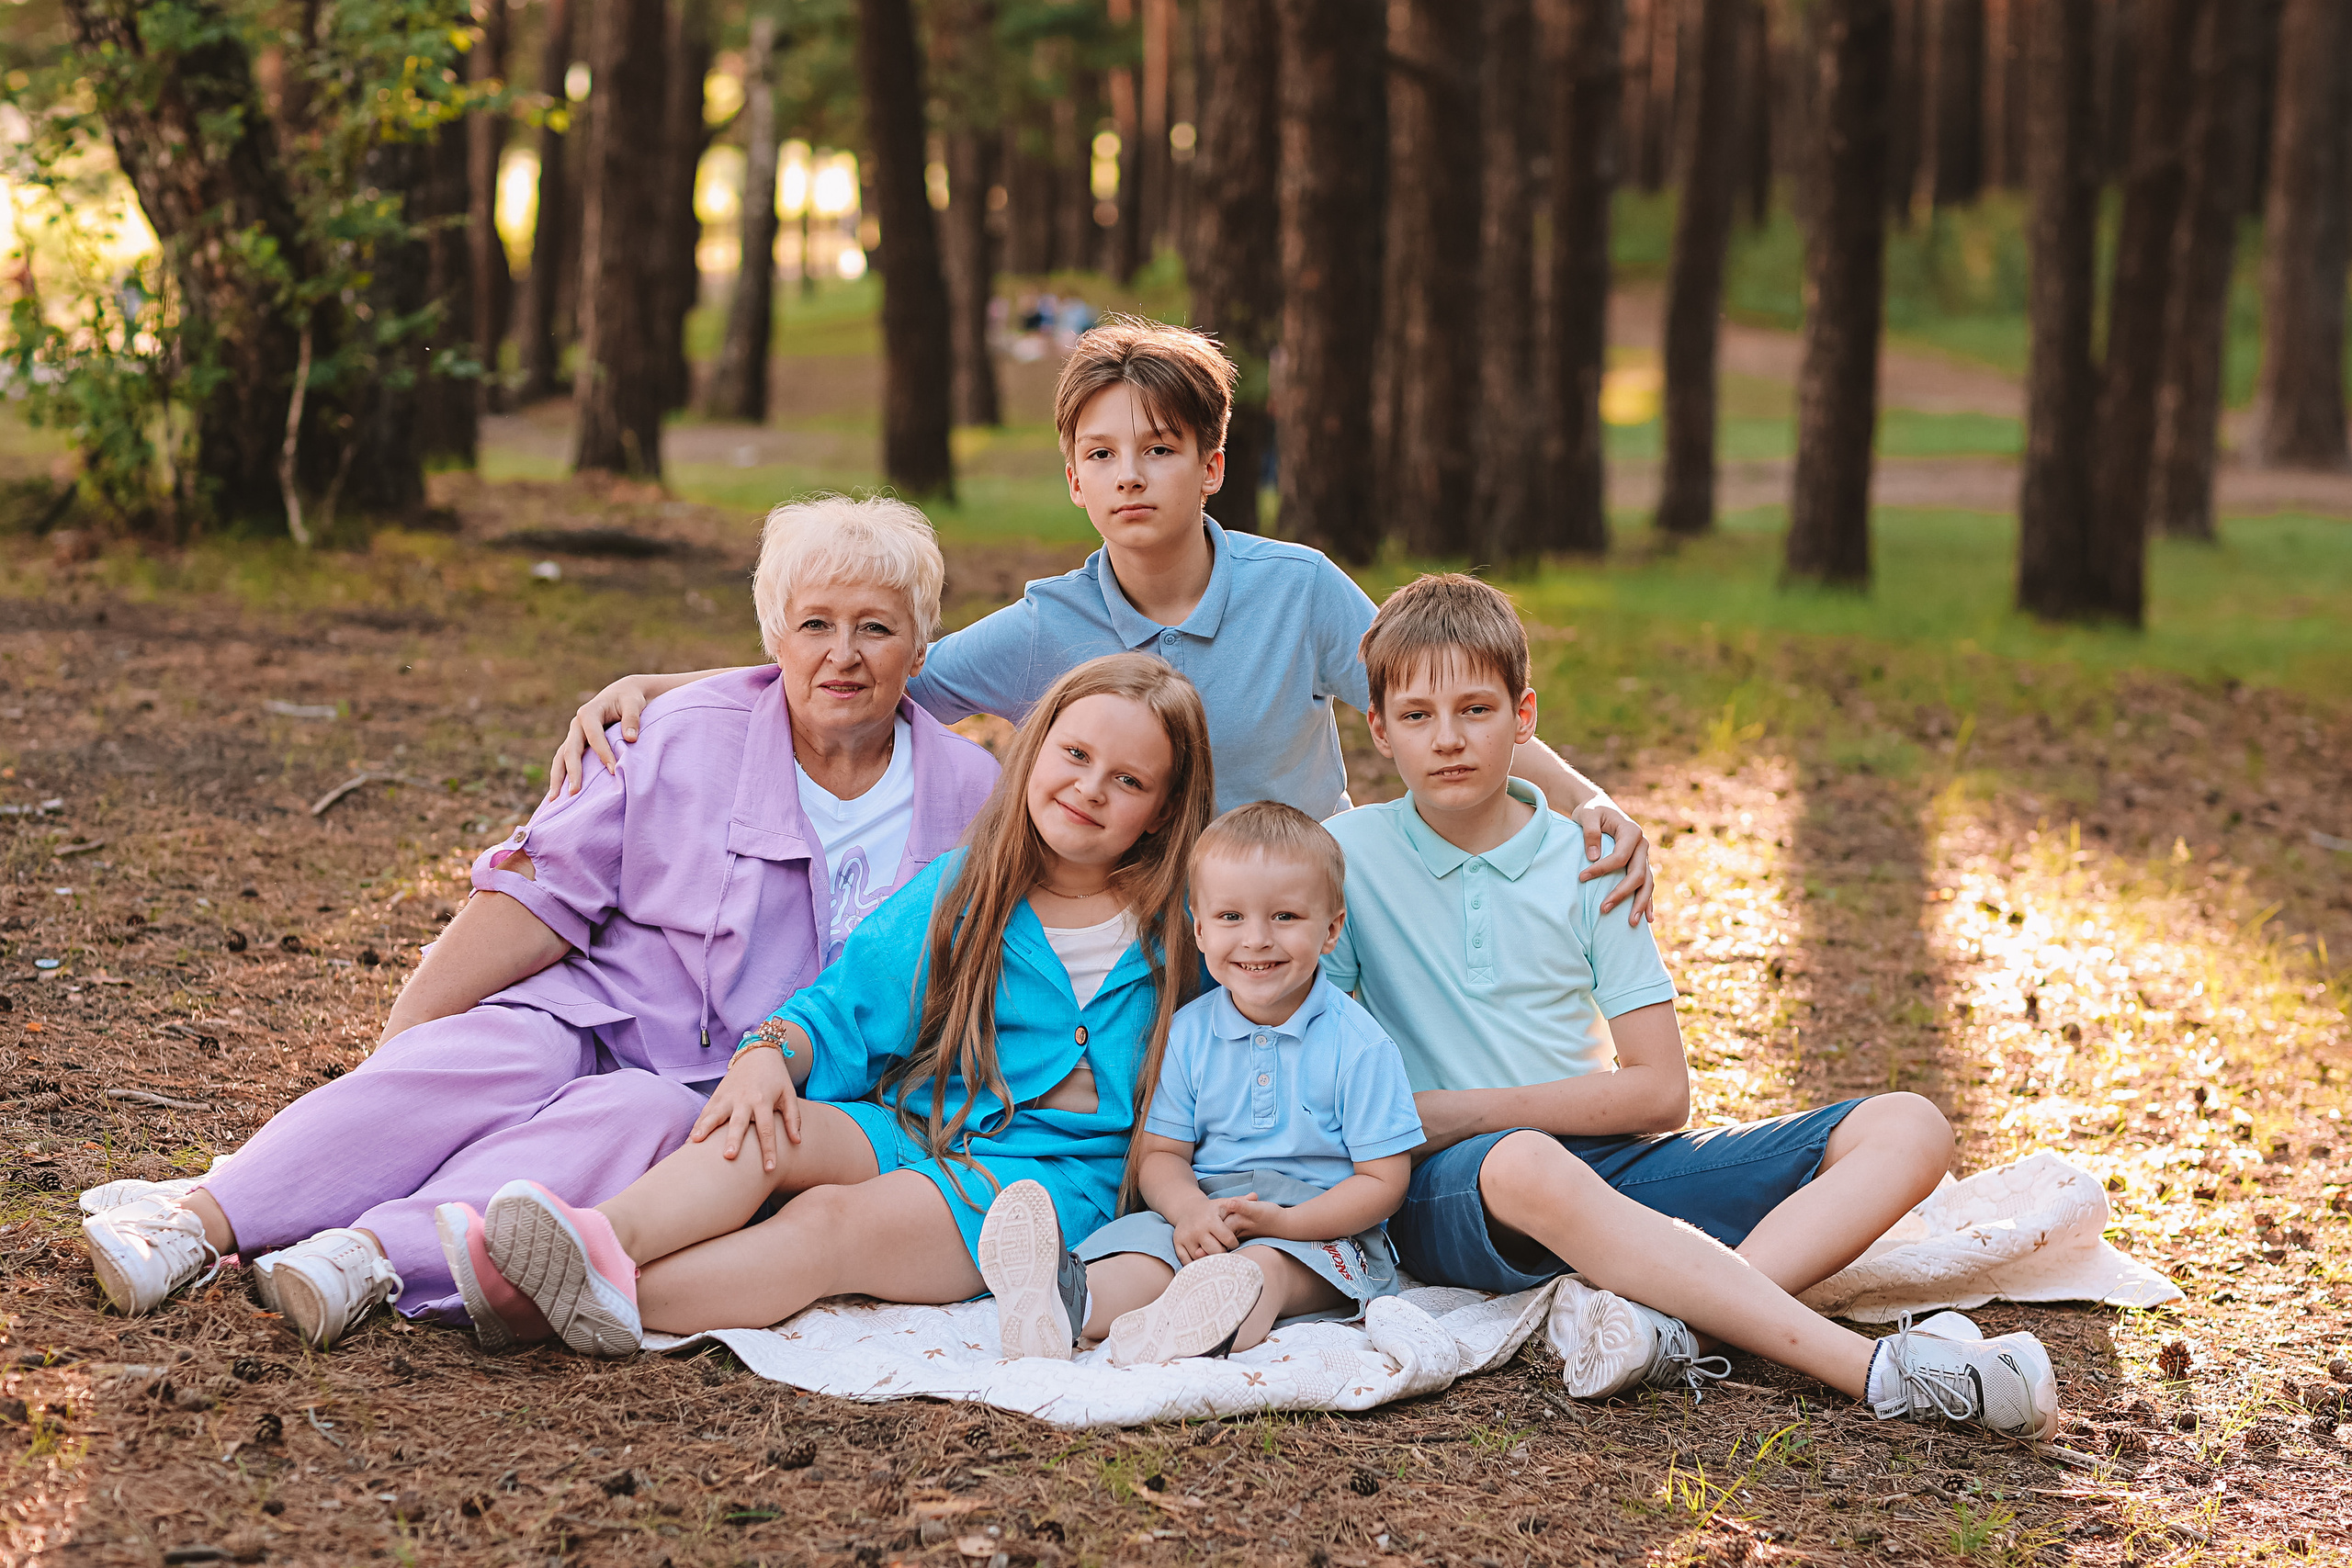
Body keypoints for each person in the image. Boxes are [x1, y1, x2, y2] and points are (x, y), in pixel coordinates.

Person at [78, 497, 1000, 1350]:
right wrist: (399, 1057)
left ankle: (369, 1257)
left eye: (875, 628)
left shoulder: (974, 795)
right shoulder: (680, 732)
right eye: (816, 625)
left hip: (737, 1086)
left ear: (919, 647)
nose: (843, 654)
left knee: (635, 1113)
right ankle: (195, 1224)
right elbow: (536, 891)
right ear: (773, 636)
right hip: (595, 1012)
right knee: (487, 1054)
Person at [537, 315, 1658, 923]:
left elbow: (1438, 707)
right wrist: (663, 690)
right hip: (1142, 925)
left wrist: (1587, 799)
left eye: (1161, 450)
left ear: (1213, 465)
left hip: (1307, 915)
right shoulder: (1047, 625)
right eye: (1103, 455)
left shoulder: (1298, 589)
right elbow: (863, 677)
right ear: (1072, 478)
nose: (1134, 477)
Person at [1319, 573, 2061, 1440]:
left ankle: (1683, 1326)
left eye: (1476, 710)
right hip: (1449, 1194)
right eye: (1416, 716)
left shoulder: (1590, 860)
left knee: (1911, 1124)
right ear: (1377, 730)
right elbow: (1318, 1057)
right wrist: (1444, 1131)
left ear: (1525, 717)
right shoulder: (1345, 856)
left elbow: (1661, 1092)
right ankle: (1873, 1372)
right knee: (1522, 1161)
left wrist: (1453, 1110)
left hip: (1607, 1167)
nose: (1447, 738)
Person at [464, 654, 1217, 1355]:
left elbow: (1257, 1019)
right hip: (920, 1120)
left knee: (828, 1223)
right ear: (1038, 749)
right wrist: (767, 1055)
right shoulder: (971, 885)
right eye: (1077, 756)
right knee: (766, 1130)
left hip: (1042, 1182)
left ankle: (571, 1307)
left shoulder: (1187, 928)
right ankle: (597, 1239)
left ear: (1160, 810)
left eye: (1128, 781)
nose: (1090, 787)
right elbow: (841, 1004)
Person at [977, 801, 1424, 1366]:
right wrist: (1188, 1209)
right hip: (1210, 1209)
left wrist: (1287, 1223)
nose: (1257, 940)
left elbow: (1384, 1181)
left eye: (1285, 917)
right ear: (1200, 930)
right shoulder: (1189, 1033)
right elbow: (1161, 1154)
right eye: (1232, 918)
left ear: (1332, 929)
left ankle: (1193, 1331)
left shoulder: (1359, 1046)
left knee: (1262, 1271)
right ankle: (1065, 1307)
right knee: (1150, 1253)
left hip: (1320, 1231)